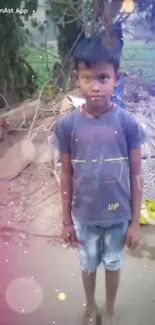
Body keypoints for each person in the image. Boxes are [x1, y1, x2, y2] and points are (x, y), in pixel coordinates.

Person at [54, 33, 146, 325]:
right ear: (77, 79)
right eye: (87, 78)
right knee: (88, 265)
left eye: (103, 78)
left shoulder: (127, 123)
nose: (95, 86)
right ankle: (91, 306)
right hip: (84, 217)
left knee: (114, 264)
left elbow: (135, 174)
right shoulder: (67, 125)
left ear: (116, 78)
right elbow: (66, 174)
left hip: (119, 217)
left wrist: (134, 222)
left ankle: (109, 307)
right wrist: (67, 221)